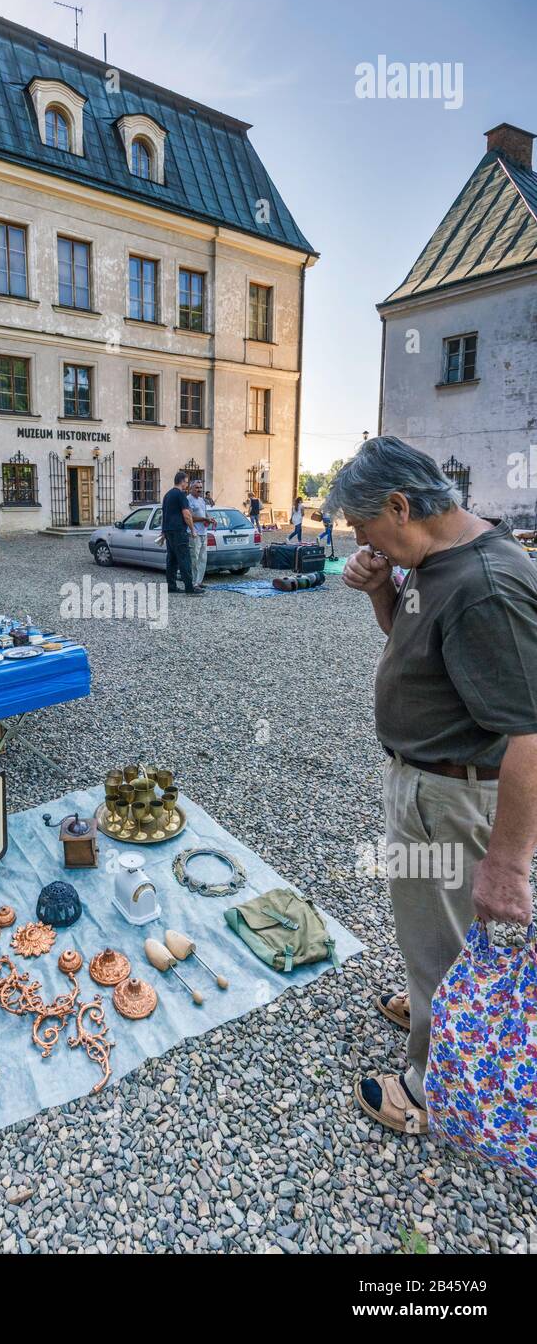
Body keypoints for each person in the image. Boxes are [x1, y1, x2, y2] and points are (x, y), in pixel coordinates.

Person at [325, 435, 537, 1135]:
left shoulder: (485, 586)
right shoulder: (433, 561)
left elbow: (528, 733)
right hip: (423, 785)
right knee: (428, 929)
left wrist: (506, 865)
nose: (363, 541)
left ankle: (429, 1093)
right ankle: (426, 1006)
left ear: (398, 503)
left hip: (453, 796)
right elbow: (408, 645)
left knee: (451, 941)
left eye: (363, 527)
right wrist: (382, 588)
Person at [161, 471, 204, 596]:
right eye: (186, 482)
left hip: (169, 531)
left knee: (172, 559)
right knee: (184, 559)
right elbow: (186, 514)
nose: (187, 485)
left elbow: (164, 514)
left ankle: (171, 586)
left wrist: (163, 531)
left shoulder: (167, 495)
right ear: (182, 481)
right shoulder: (180, 495)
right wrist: (193, 529)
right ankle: (190, 588)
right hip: (179, 530)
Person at [187, 478, 213, 589]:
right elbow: (190, 517)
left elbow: (205, 513)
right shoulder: (188, 499)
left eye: (201, 488)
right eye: (197, 487)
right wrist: (203, 519)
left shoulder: (202, 500)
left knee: (203, 558)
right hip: (194, 533)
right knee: (194, 558)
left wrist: (209, 518)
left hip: (203, 533)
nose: (199, 489)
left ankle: (199, 581)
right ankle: (193, 583)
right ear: (191, 488)